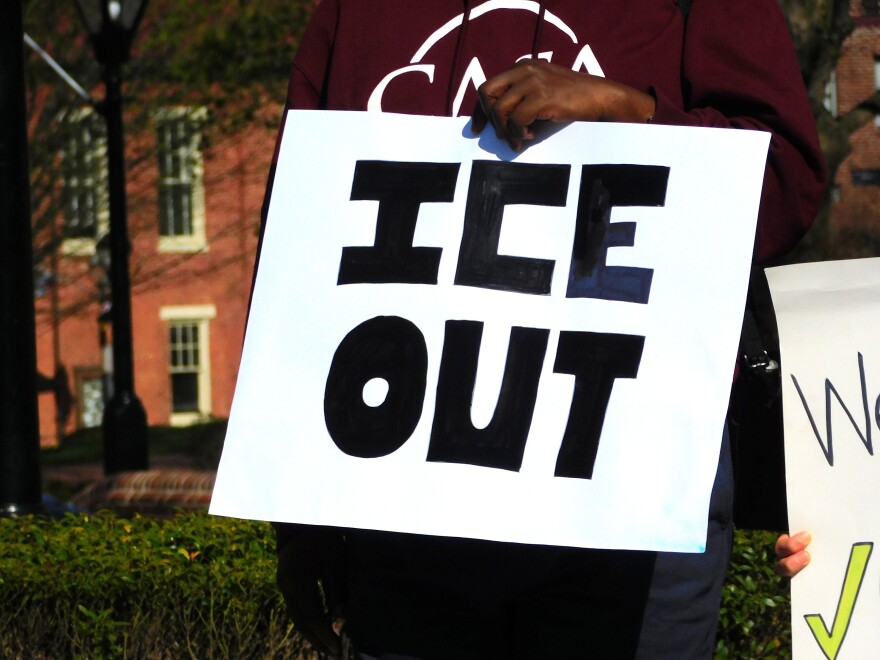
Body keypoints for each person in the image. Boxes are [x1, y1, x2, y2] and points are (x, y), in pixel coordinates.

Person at [261, 1, 827, 657]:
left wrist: (628, 110)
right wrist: (295, 509)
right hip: (408, 499)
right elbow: (301, 239)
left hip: (634, 483)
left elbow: (783, 185)